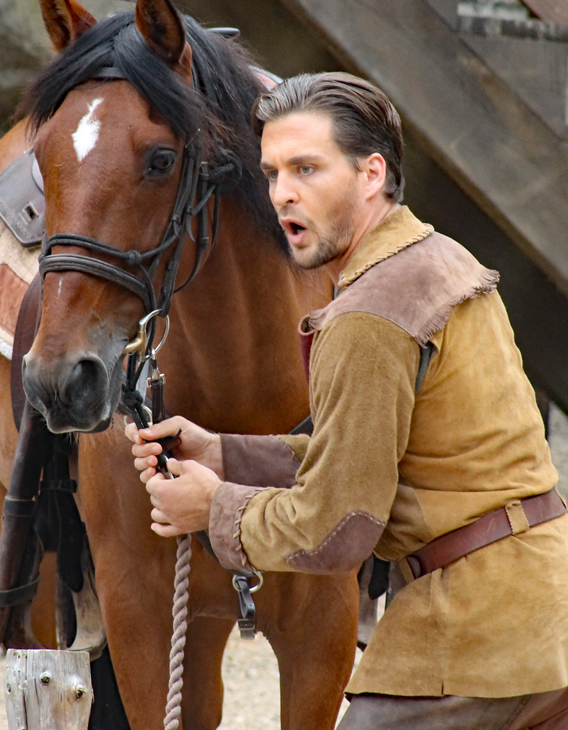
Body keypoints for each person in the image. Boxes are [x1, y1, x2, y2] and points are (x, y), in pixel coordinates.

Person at [126, 72, 568, 729]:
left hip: (478, 637)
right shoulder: (438, 259)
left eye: (307, 169)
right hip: (546, 613)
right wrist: (222, 453)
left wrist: (211, 507)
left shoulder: (369, 315)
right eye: (272, 173)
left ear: (371, 174)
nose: (283, 193)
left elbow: (337, 528)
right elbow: (367, 451)